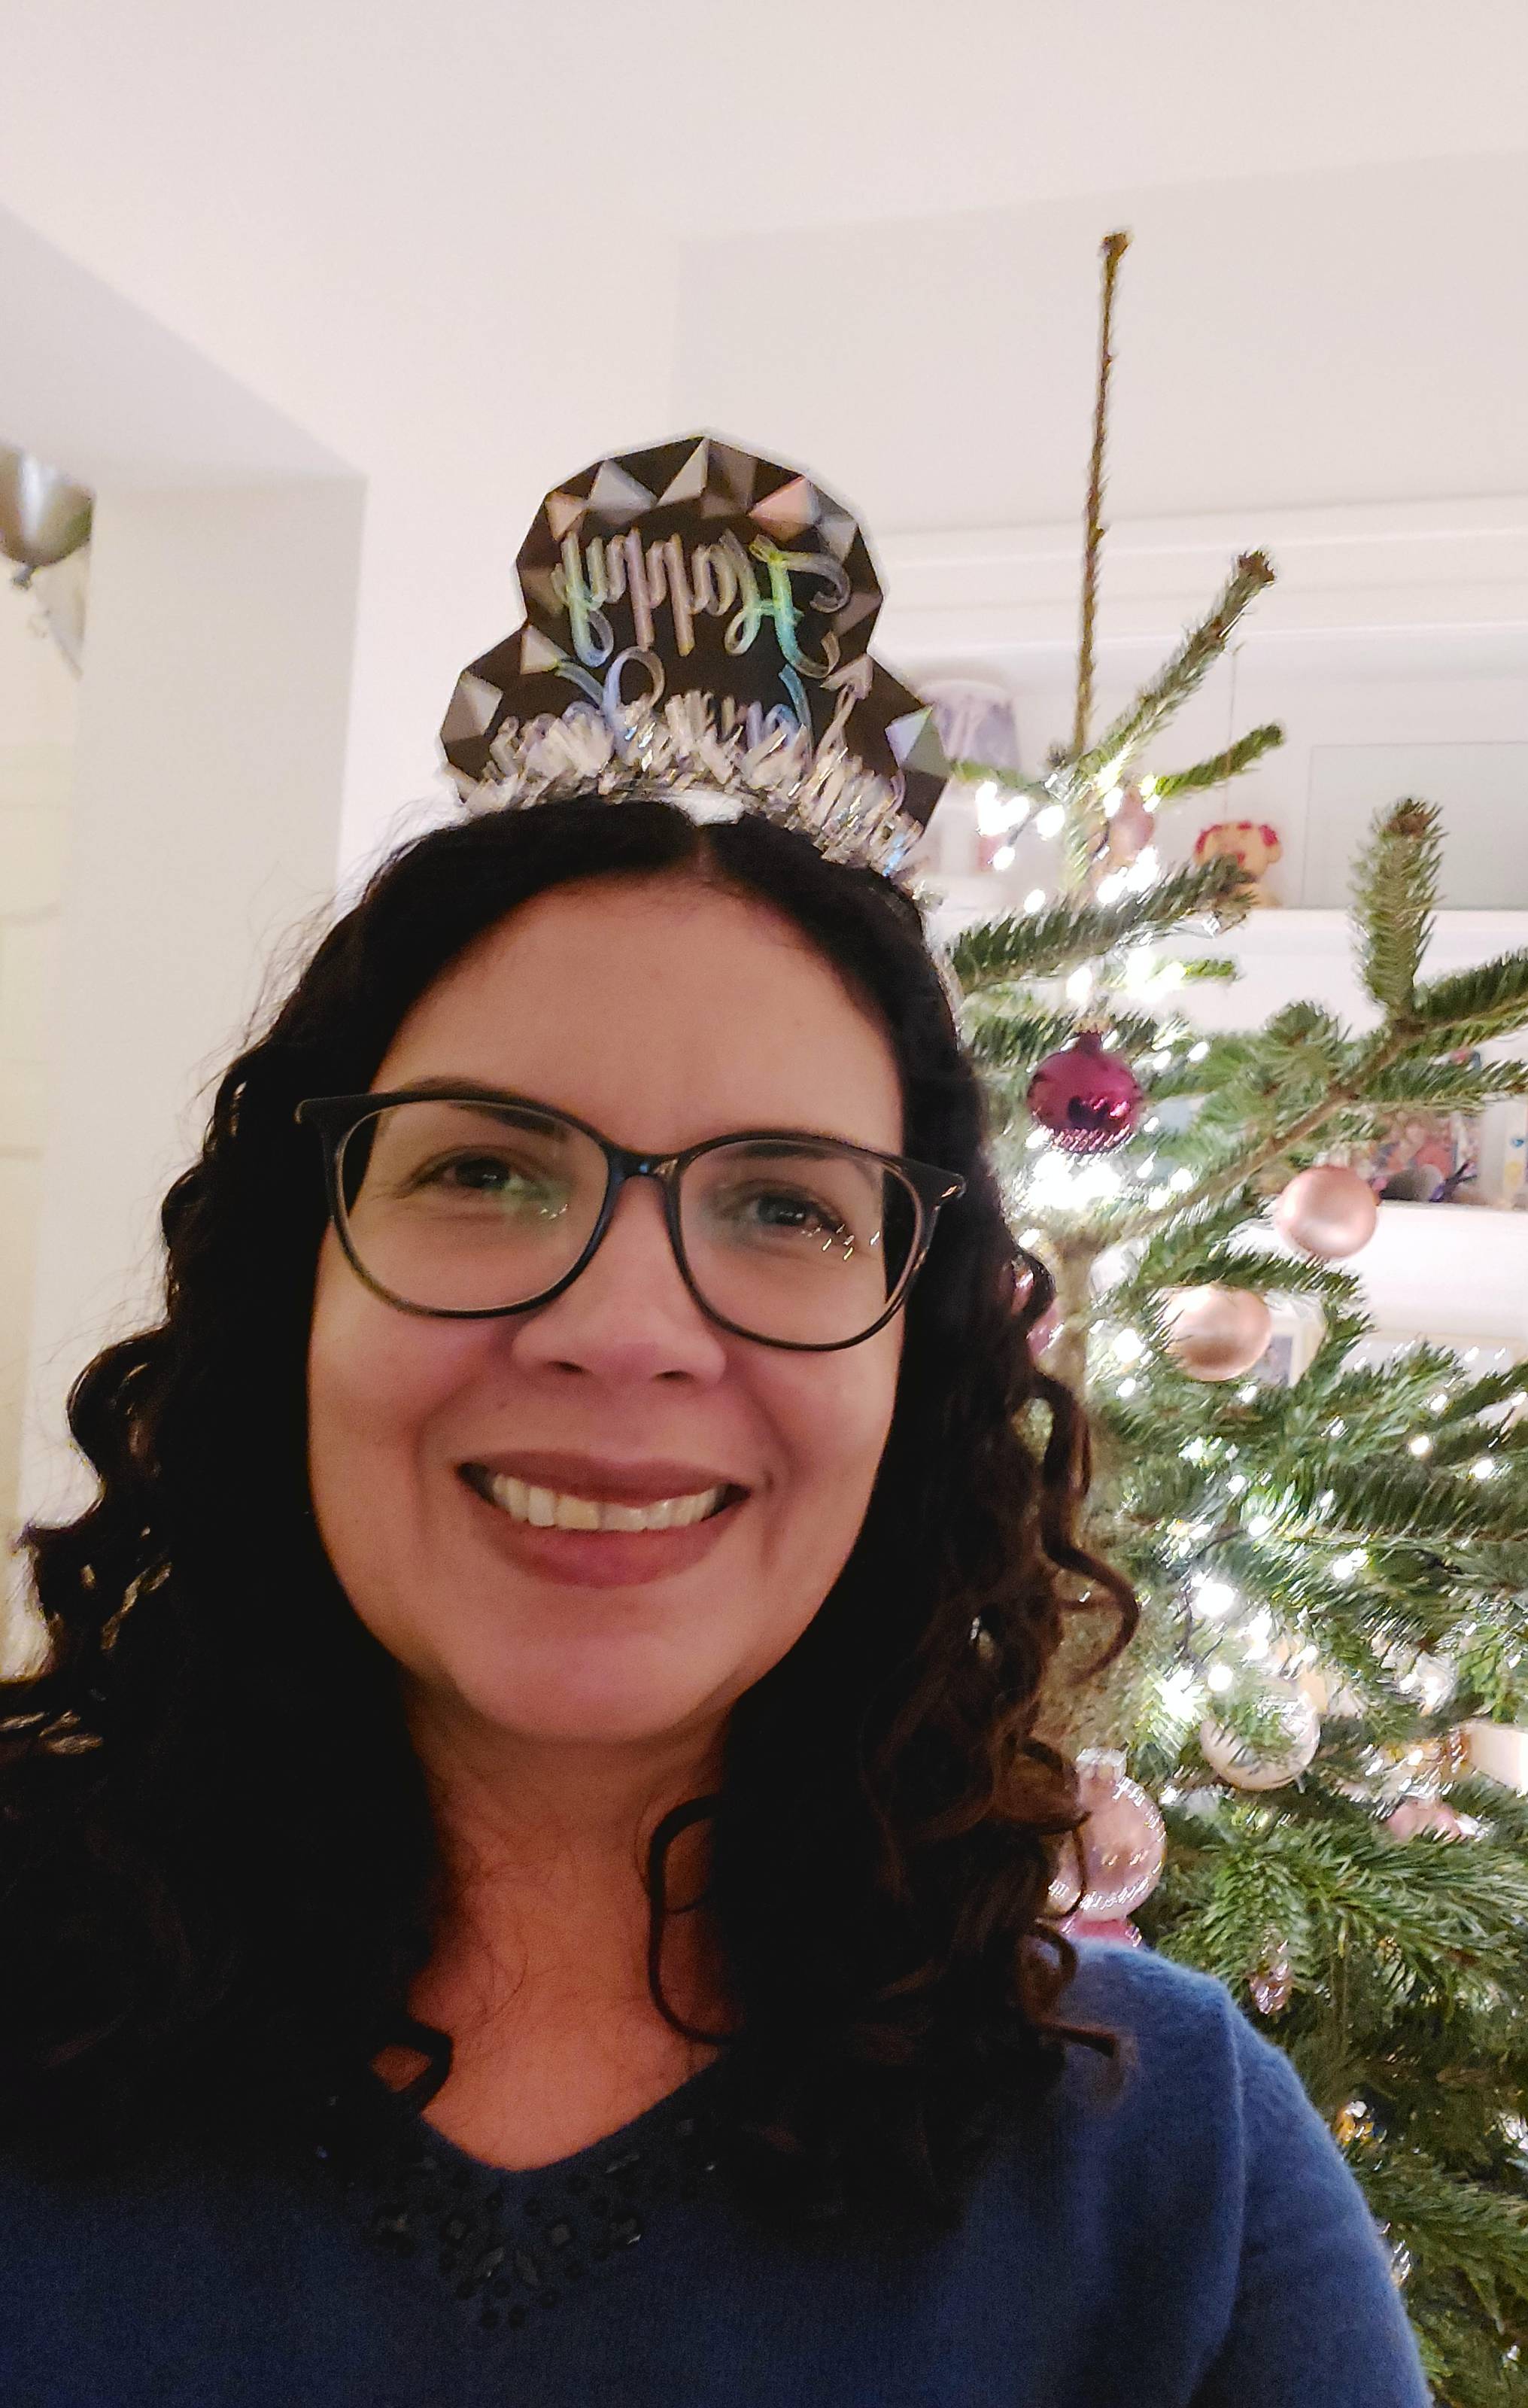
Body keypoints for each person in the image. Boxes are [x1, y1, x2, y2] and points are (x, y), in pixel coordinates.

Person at [0, 438, 1430, 2406]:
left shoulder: (1178, 2176)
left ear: (915, 1365)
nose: (618, 1327)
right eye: (488, 1171)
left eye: (781, 1206)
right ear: (291, 1286)